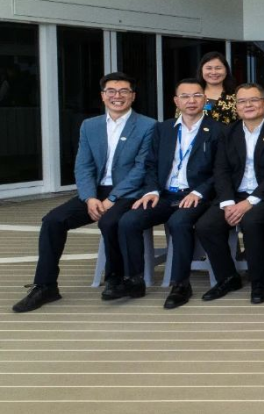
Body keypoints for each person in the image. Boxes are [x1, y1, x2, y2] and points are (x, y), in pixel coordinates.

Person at [13, 72, 156, 313]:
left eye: (124, 91)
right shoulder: (90, 126)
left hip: (128, 191)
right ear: (103, 96)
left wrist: (112, 198)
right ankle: (45, 286)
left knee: (110, 221)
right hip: (95, 191)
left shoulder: (147, 125)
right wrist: (89, 197)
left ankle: (116, 279)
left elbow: (141, 168)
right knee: (53, 221)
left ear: (133, 96)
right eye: (111, 91)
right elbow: (84, 166)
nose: (117, 96)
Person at [119, 78, 224, 309]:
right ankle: (134, 280)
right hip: (165, 194)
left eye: (196, 95)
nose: (191, 101)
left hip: (197, 195)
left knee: (179, 222)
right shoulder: (163, 129)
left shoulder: (218, 130)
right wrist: (151, 190)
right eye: (185, 96)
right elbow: (150, 164)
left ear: (205, 100)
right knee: (129, 220)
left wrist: (199, 191)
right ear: (176, 101)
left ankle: (180, 284)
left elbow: (221, 170)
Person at [196, 83, 264, 304]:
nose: (248, 105)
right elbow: (221, 169)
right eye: (242, 101)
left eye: (254, 100)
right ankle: (228, 278)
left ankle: (258, 281)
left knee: (251, 223)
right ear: (236, 106)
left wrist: (249, 202)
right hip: (233, 194)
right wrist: (227, 202)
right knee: (206, 226)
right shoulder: (228, 132)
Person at [196, 51, 238, 124]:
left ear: (226, 71)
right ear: (201, 71)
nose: (214, 72)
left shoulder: (237, 95)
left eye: (218, 68)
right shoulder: (192, 94)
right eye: (209, 68)